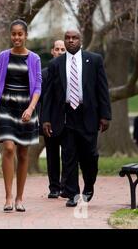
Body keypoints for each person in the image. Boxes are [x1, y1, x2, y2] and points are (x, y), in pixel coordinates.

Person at [0, 19, 42, 213]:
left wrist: (31, 108)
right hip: (5, 105)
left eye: (20, 34)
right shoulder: (3, 56)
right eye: (13, 34)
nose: (16, 37)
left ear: (26, 35)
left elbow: (38, 86)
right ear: (10, 35)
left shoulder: (34, 59)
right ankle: (8, 196)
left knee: (23, 153)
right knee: (8, 148)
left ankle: (20, 198)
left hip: (26, 108)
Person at [42, 30, 111, 207]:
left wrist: (105, 115)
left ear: (81, 40)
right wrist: (46, 119)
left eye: (74, 38)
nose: (71, 41)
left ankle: (89, 186)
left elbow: (102, 89)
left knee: (90, 155)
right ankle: (73, 193)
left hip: (87, 114)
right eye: (68, 38)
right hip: (65, 115)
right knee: (69, 155)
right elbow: (48, 94)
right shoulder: (55, 64)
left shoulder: (94, 60)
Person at [39, 40, 66, 199]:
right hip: (50, 120)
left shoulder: (71, 71)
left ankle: (65, 186)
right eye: (57, 49)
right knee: (52, 155)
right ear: (52, 51)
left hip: (68, 120)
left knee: (68, 155)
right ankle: (54, 187)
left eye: (63, 49)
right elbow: (42, 98)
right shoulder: (44, 73)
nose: (60, 51)